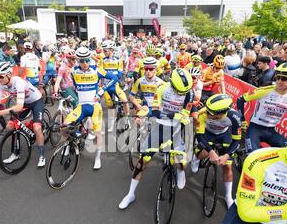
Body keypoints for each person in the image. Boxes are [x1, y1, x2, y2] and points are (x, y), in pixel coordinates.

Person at [118, 69, 195, 210]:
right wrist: (171, 115)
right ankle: (130, 194)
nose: (181, 94)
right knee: (143, 161)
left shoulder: (189, 93)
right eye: (179, 91)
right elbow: (155, 111)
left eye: (183, 92)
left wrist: (181, 118)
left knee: (182, 163)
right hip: (159, 127)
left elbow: (185, 114)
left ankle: (180, 171)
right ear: (171, 83)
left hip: (176, 130)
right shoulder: (161, 89)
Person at [61, 47, 119, 170]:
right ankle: (67, 145)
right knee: (64, 126)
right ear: (77, 61)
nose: (85, 63)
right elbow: (76, 87)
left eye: (87, 60)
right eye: (82, 61)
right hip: (81, 106)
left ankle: (97, 158)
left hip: (94, 107)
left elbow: (114, 78)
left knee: (98, 132)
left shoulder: (96, 70)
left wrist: (101, 91)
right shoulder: (74, 72)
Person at [0, 61, 46, 167]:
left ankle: (42, 155)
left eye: (0, 76)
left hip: (36, 101)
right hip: (24, 103)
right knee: (10, 126)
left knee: (37, 128)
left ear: (9, 74)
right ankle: (15, 153)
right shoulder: (0, 85)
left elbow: (18, 107)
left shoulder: (18, 82)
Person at [237, 62, 287, 155]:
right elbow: (240, 99)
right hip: (255, 129)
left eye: (284, 79)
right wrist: (242, 120)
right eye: (277, 77)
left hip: (271, 131)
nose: (279, 81)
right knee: (252, 156)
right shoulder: (266, 90)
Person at [191, 94, 242, 208]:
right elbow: (200, 136)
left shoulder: (235, 117)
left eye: (211, 113)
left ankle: (228, 196)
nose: (207, 113)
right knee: (203, 153)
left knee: (227, 166)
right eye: (207, 110)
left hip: (225, 135)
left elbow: (237, 141)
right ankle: (196, 158)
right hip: (208, 134)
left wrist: (227, 155)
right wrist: (210, 151)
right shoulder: (203, 113)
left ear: (221, 113)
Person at [99, 40, 130, 132]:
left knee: (124, 100)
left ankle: (127, 118)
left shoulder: (118, 59)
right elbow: (100, 73)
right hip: (106, 86)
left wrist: (112, 77)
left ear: (111, 50)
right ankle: (112, 123)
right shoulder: (102, 60)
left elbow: (120, 73)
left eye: (105, 50)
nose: (104, 52)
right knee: (110, 106)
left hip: (115, 85)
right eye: (103, 50)